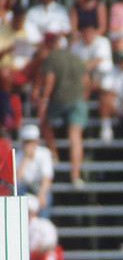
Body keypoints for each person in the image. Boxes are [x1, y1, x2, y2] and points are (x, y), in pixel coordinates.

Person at [36, 28, 88, 186]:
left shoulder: (51, 57)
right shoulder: (77, 58)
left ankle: (54, 154)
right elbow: (87, 81)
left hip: (59, 100)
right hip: (78, 100)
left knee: (44, 121)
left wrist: (44, 101)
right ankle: (75, 175)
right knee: (75, 137)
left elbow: (49, 81)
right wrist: (82, 98)